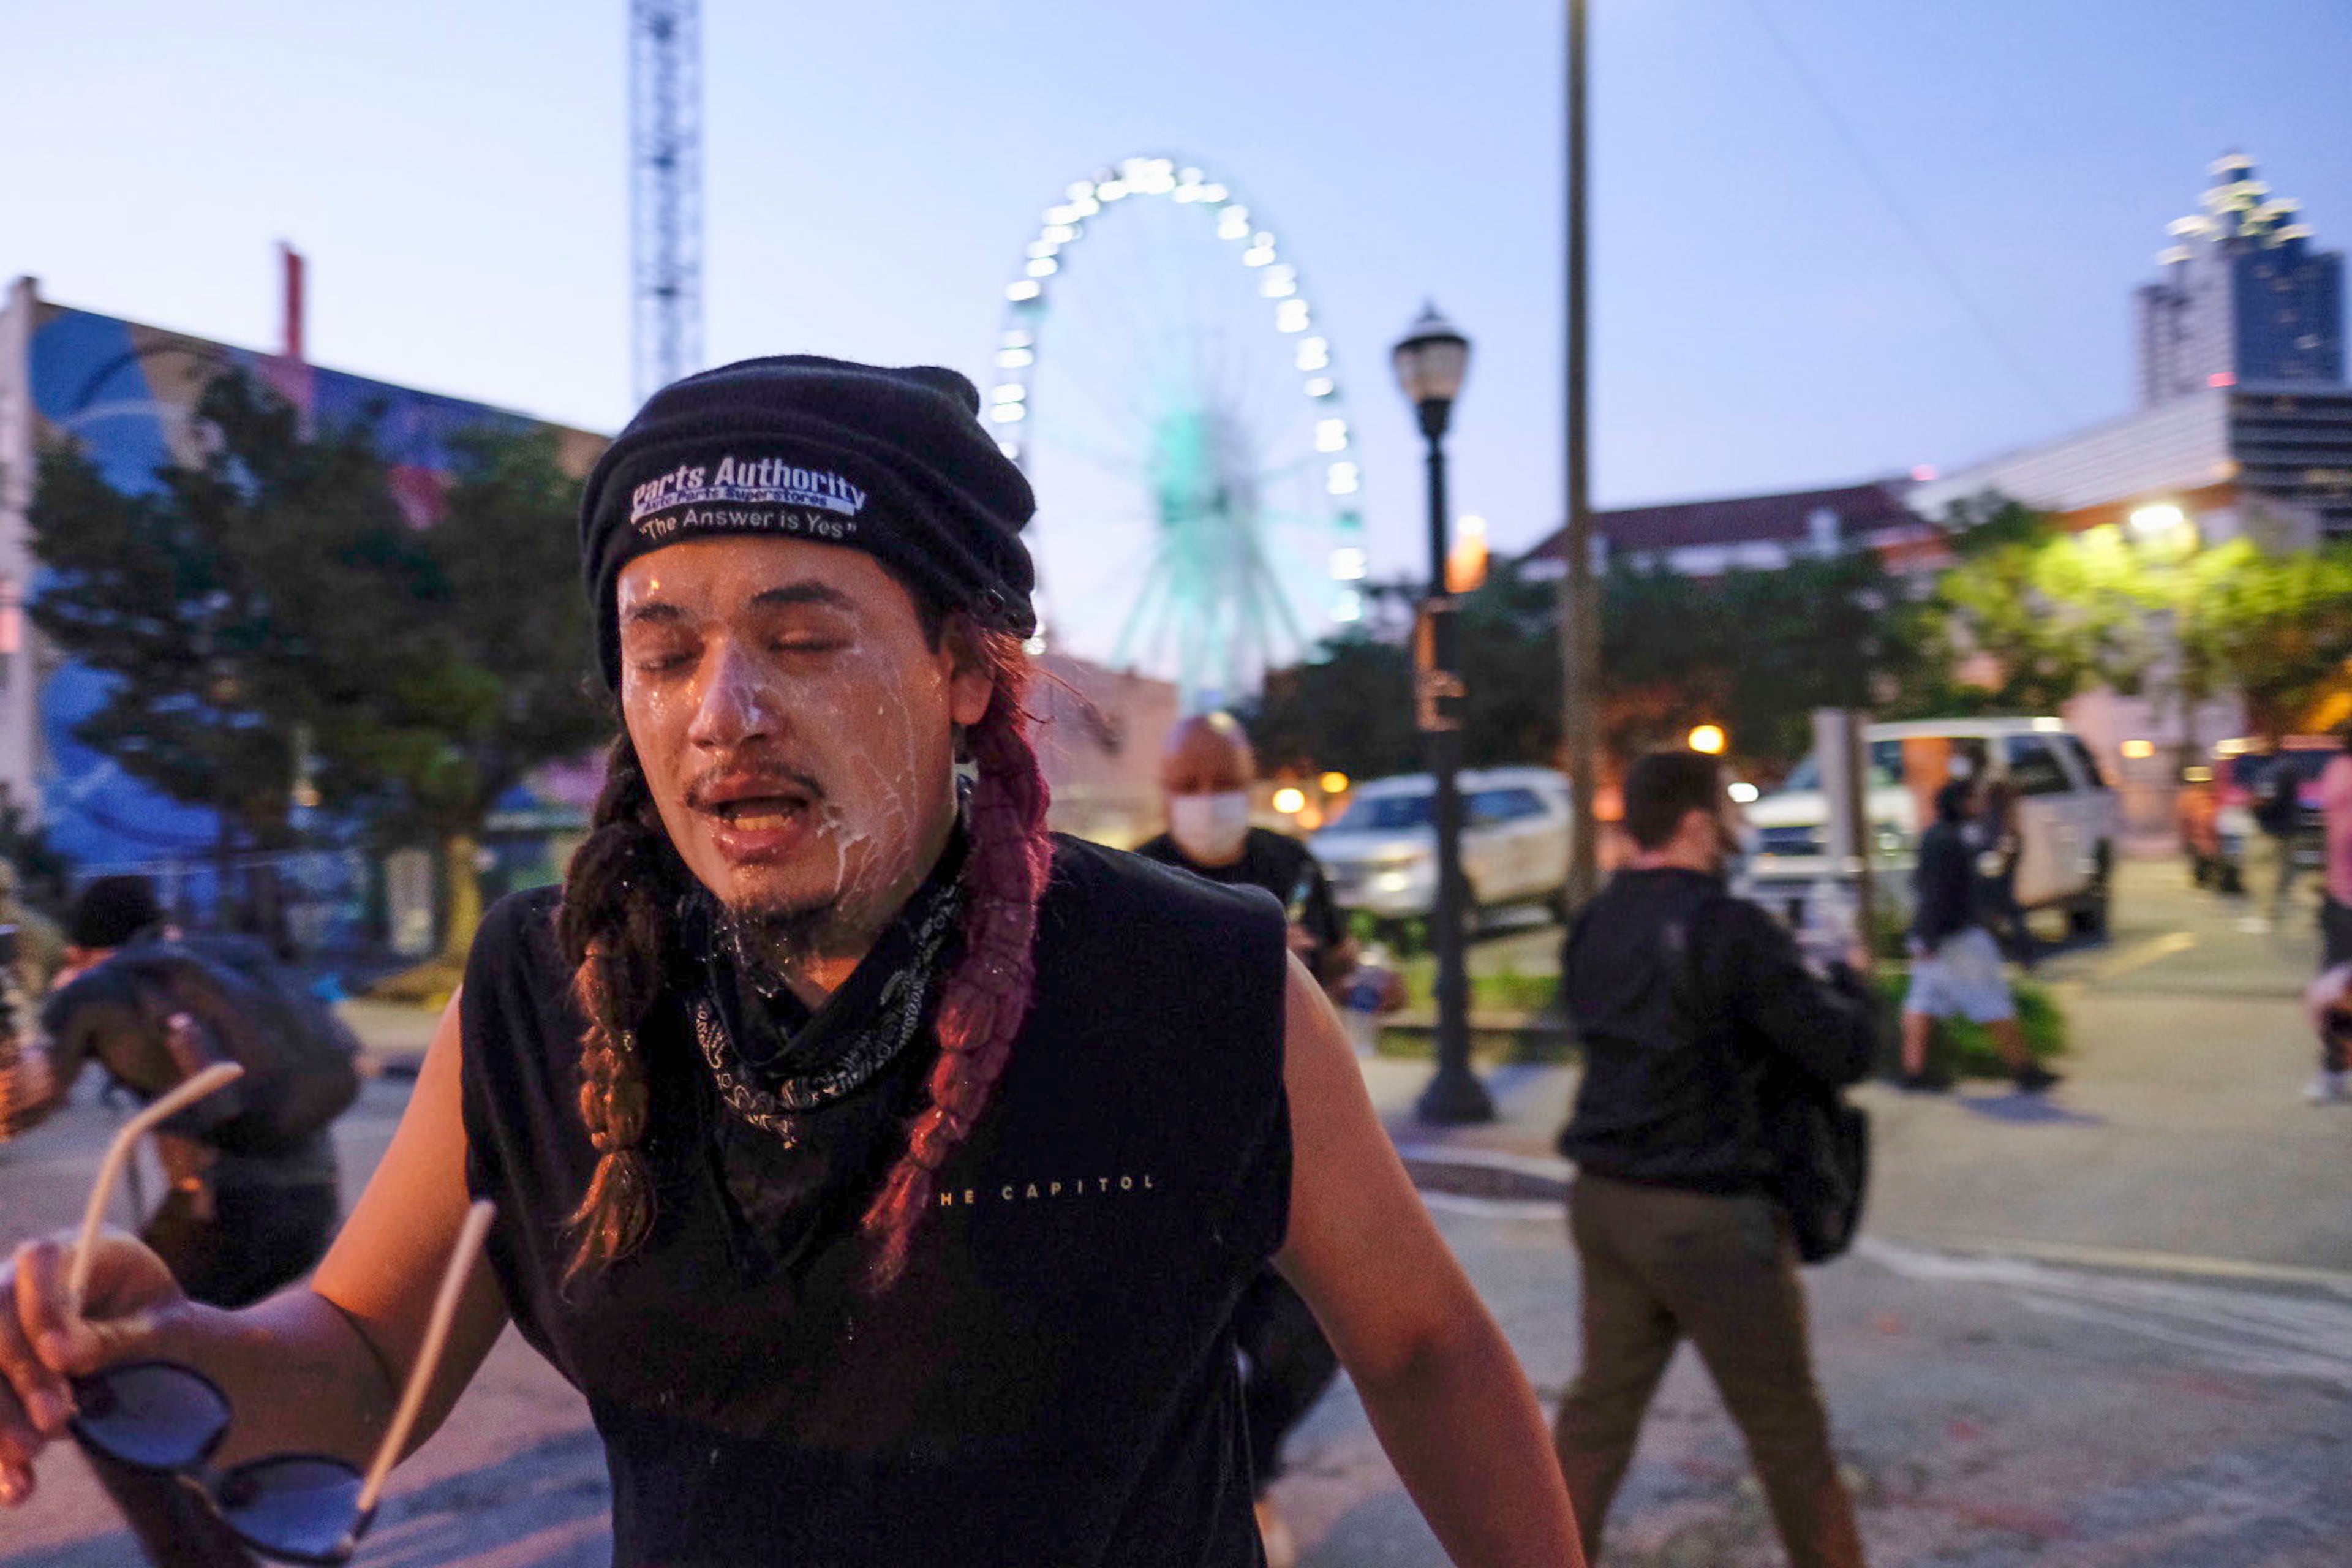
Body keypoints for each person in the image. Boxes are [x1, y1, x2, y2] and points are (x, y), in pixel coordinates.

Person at [0, 356, 1581, 1567]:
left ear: (967, 669)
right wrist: (161, 1343)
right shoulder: (548, 998)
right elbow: (353, 1363)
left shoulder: (1195, 983)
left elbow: (1426, 1345)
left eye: (805, 638)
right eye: (664, 649)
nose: (722, 710)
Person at [1552, 749, 1874, 1568]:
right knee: (1788, 1437)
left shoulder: (1594, 922)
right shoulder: (1729, 929)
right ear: (1696, 825)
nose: (1736, 827)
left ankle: (1539, 1553)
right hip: (1707, 1216)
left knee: (1597, 1419)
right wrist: (1855, 983)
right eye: (1726, 812)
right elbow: (1838, 1051)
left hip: (1606, 1201)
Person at [1134, 710, 1349, 1568]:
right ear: (1164, 791)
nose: (1206, 802)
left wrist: (1359, 984)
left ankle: (1253, 1474)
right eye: (1188, 786)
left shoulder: (1289, 867)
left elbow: (1343, 969)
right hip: (1176, 1165)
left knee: (1310, 1342)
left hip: (1293, 1150)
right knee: (1187, 1357)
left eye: (1222, 783)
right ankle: (1209, 1511)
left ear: (1252, 783)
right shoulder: (1137, 880)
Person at [1899, 781, 2059, 1094]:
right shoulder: (1951, 840)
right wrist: (1933, 937)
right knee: (1992, 999)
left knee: (1922, 1000)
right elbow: (1939, 893)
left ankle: (1913, 1072)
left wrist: (1924, 936)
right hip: (1956, 936)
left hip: (1933, 934)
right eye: (1972, 799)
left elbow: (1922, 886)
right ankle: (2024, 1070)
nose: (1976, 806)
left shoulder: (1935, 836)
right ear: (1959, 803)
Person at [2307, 731, 2352, 1103]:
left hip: (2341, 898)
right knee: (2337, 995)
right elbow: (2334, 835)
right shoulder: (2338, 771)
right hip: (2342, 900)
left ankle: (2333, 1073)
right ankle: (2333, 1072)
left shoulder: (2337, 771)